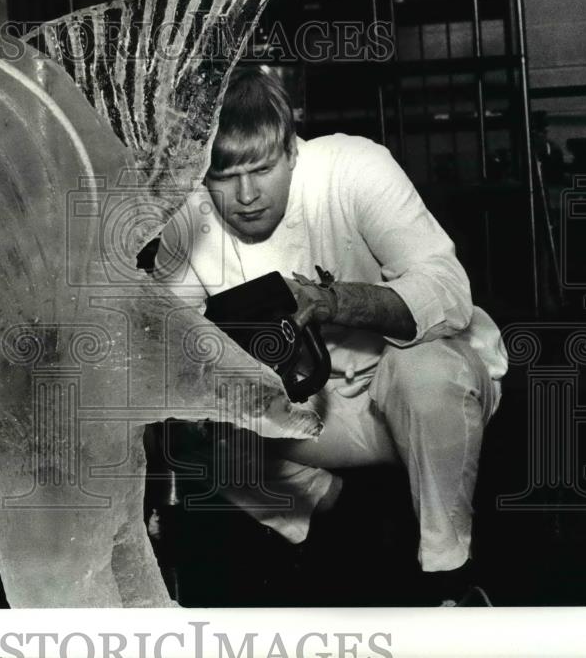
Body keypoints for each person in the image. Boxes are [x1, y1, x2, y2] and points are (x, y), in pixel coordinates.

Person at [153, 66, 507, 605]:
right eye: (225, 177)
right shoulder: (188, 219)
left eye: (263, 168)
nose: (246, 195)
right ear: (202, 173)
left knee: (426, 369)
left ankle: (449, 575)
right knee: (179, 422)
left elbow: (449, 290)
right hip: (311, 420)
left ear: (292, 149)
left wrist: (336, 300)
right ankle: (340, 511)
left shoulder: (353, 167)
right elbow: (164, 338)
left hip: (407, 396)